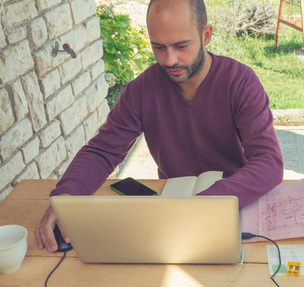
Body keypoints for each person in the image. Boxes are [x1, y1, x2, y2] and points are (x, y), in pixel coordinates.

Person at [35, 0, 283, 253]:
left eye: (181, 46)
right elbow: (102, 152)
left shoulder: (240, 82)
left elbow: (268, 163)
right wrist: (65, 196)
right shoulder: (141, 90)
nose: (170, 60)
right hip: (172, 209)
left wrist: (203, 203)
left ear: (206, 35)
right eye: (158, 47)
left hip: (236, 203)